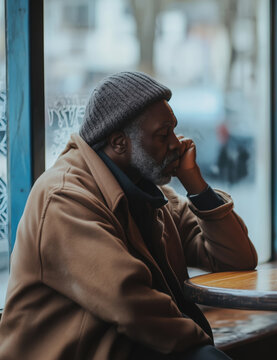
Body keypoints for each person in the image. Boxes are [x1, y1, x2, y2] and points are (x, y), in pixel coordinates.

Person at [0, 71, 258, 359]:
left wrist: (196, 185)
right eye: (163, 134)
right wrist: (203, 341)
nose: (177, 143)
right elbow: (129, 303)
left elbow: (238, 260)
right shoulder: (64, 197)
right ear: (120, 142)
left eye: (174, 130)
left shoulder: (150, 194)